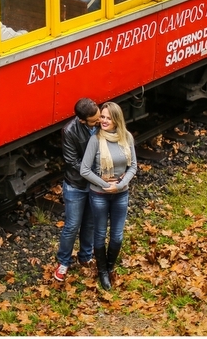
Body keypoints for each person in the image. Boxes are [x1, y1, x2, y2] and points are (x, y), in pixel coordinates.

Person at [80, 101, 138, 290]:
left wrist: (120, 185)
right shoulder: (95, 139)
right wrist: (106, 185)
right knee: (100, 234)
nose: (103, 121)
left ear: (116, 119)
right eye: (102, 117)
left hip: (121, 194)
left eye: (107, 117)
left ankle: (110, 266)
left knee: (117, 237)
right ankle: (102, 272)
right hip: (99, 195)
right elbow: (85, 170)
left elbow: (133, 166)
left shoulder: (126, 137)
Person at [53, 98, 100, 282]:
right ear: (82, 120)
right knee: (72, 225)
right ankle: (63, 262)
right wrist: (96, 174)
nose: (99, 122)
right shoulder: (70, 131)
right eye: (94, 120)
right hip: (77, 185)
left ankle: (85, 256)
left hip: (94, 183)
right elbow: (72, 161)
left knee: (90, 222)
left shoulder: (101, 122)